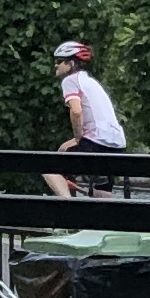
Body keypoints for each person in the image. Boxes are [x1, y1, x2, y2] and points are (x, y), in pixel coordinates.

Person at [41, 39, 129, 195]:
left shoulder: (70, 80)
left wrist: (77, 138)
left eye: (60, 61)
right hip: (116, 144)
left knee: (49, 167)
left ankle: (69, 208)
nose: (56, 65)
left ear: (71, 64)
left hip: (95, 143)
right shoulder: (90, 82)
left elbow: (76, 111)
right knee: (102, 190)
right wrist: (73, 142)